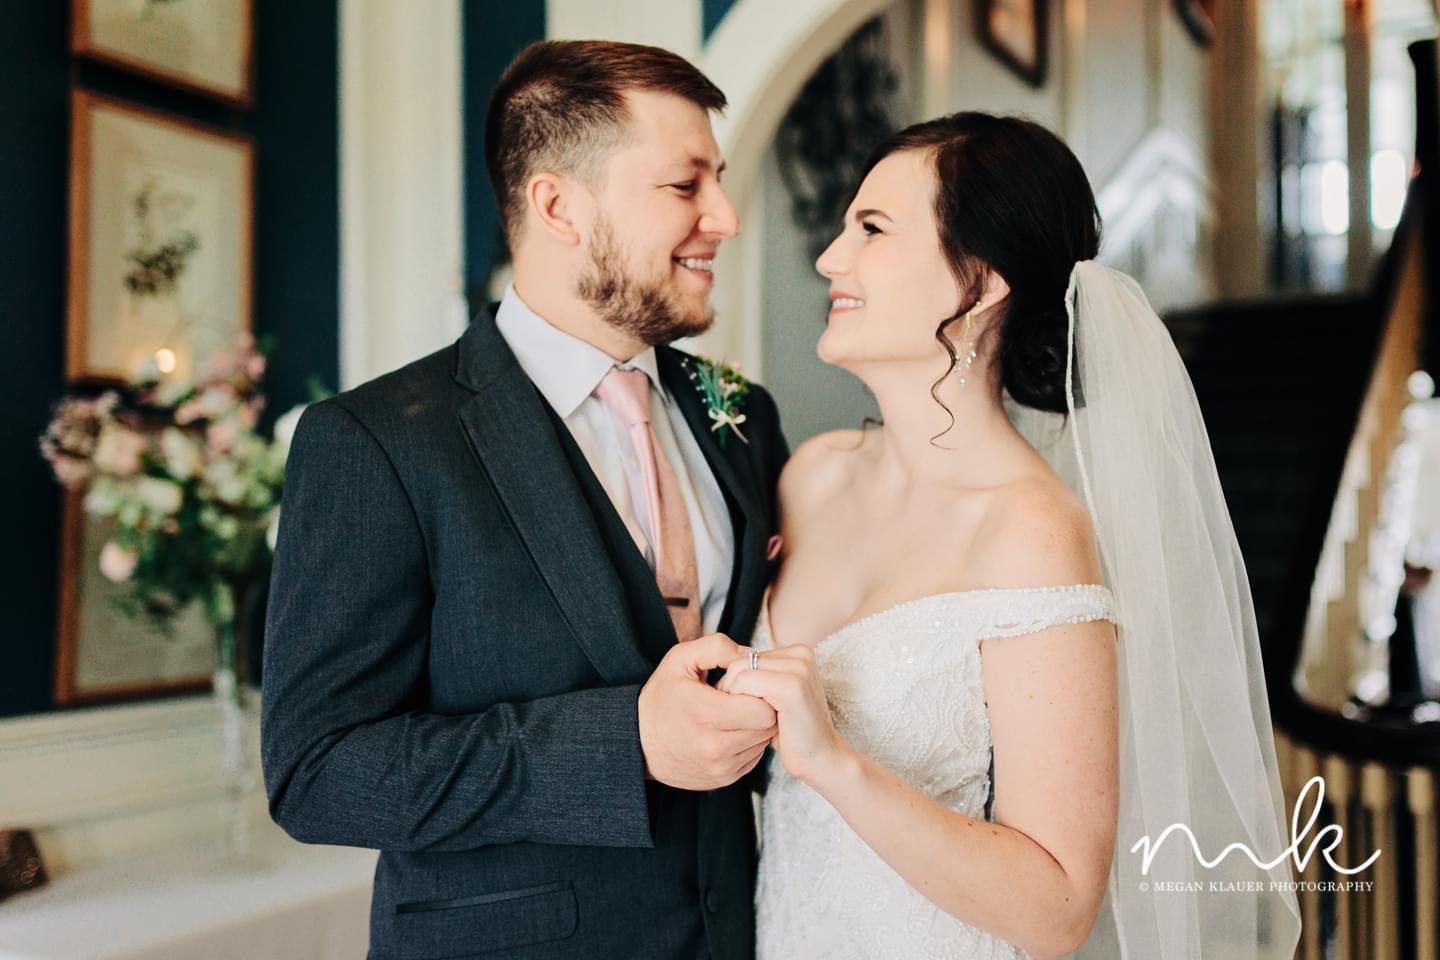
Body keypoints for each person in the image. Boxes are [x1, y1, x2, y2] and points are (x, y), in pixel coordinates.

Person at [719, 113, 1302, 958]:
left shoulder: (1031, 531)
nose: (829, 258)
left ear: (981, 281)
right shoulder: (812, 475)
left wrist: (834, 760)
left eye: (871, 230)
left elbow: (1059, 904)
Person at [260, 40, 788, 960]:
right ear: (558, 205)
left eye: (721, 180)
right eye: (684, 184)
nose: (727, 217)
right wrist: (623, 743)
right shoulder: (377, 443)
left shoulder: (741, 418)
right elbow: (317, 771)